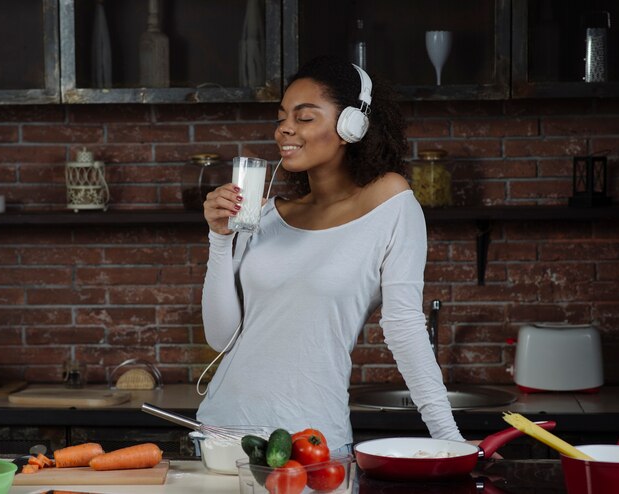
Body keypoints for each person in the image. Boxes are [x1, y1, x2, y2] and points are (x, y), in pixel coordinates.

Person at [196, 55, 465, 451]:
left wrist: (450, 439)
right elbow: (220, 338)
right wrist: (219, 240)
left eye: (305, 117)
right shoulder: (266, 215)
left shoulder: (391, 201)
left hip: (313, 442)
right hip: (221, 432)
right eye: (282, 116)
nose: (285, 128)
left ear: (350, 127)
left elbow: (404, 326)